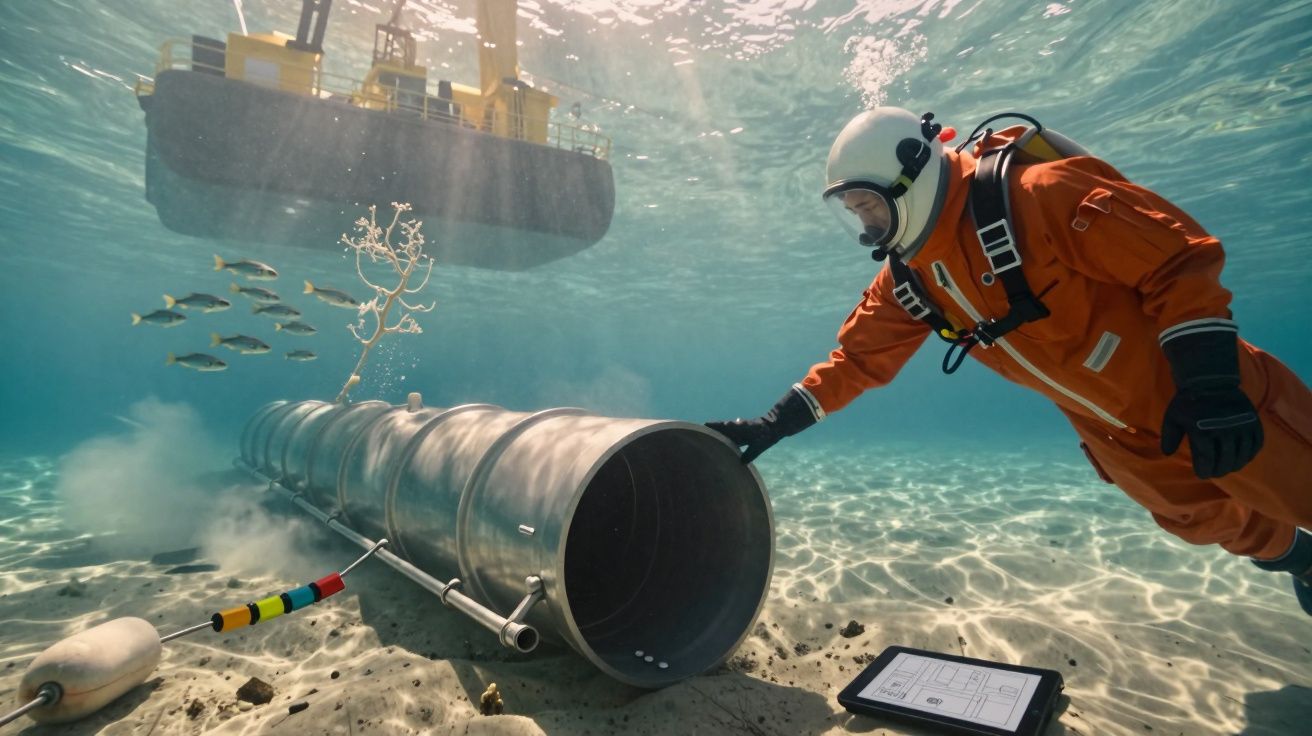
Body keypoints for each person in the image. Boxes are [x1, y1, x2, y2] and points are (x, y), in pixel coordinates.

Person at [706, 107, 1312, 615]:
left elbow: (1177, 257)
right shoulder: (907, 280)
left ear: (910, 177)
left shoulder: (1036, 196)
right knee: (1204, 521)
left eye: (868, 205)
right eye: (855, 213)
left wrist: (1211, 385)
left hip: (1205, 388)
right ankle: (1303, 561)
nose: (866, 227)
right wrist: (775, 421)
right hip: (1111, 434)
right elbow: (855, 360)